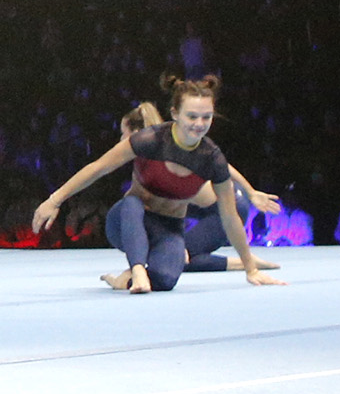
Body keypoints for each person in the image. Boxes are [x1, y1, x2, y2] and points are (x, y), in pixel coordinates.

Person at [29, 75, 285, 294]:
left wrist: (250, 269)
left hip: (168, 227)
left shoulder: (211, 158)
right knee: (132, 203)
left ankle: (126, 278)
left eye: (206, 118)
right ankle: (138, 270)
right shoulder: (150, 140)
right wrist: (54, 200)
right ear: (174, 114)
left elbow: (229, 216)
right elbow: (98, 168)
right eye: (192, 116)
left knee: (165, 279)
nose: (199, 124)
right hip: (126, 221)